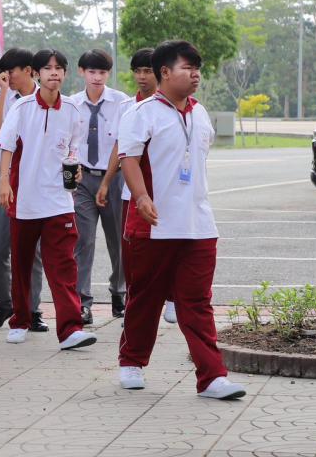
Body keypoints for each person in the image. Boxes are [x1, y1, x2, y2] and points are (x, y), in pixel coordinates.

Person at [116, 40, 245, 400]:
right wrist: (142, 197)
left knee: (197, 302)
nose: (195, 74)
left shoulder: (200, 113)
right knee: (145, 298)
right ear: (165, 72)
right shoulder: (141, 114)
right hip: (153, 226)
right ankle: (131, 362)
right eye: (187, 68)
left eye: (197, 68)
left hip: (198, 224)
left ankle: (212, 377)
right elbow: (129, 159)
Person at [0, 49, 96, 350]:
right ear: (36, 73)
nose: (54, 73)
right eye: (48, 68)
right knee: (22, 265)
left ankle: (70, 329)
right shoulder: (22, 107)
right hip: (25, 199)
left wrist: (75, 171)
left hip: (59, 201)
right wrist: (4, 182)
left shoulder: (73, 110)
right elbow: (7, 146)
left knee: (63, 265)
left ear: (65, 73)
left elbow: (73, 149)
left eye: (59, 68)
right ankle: (20, 321)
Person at [102, 47, 177, 325]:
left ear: (160, 73)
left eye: (147, 71)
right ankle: (135, 307)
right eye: (138, 71)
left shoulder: (172, 106)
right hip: (132, 193)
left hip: (166, 192)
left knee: (169, 247)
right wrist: (106, 181)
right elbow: (119, 146)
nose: (142, 77)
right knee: (133, 255)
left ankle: (171, 298)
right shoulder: (126, 107)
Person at [0, 48, 48, 333]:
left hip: (34, 179)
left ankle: (32, 309)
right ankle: (5, 302)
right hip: (4, 178)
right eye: (4, 72)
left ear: (29, 71)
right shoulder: (4, 96)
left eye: (12, 71)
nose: (7, 76)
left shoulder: (45, 97)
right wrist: (3, 95)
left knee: (33, 251)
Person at [71, 48, 131, 322]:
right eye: (92, 71)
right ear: (81, 72)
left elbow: (123, 144)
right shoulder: (71, 104)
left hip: (115, 178)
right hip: (82, 180)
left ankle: (119, 291)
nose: (97, 77)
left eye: (103, 72)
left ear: (109, 73)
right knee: (83, 241)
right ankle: (82, 302)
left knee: (118, 241)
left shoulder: (122, 103)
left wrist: (109, 180)